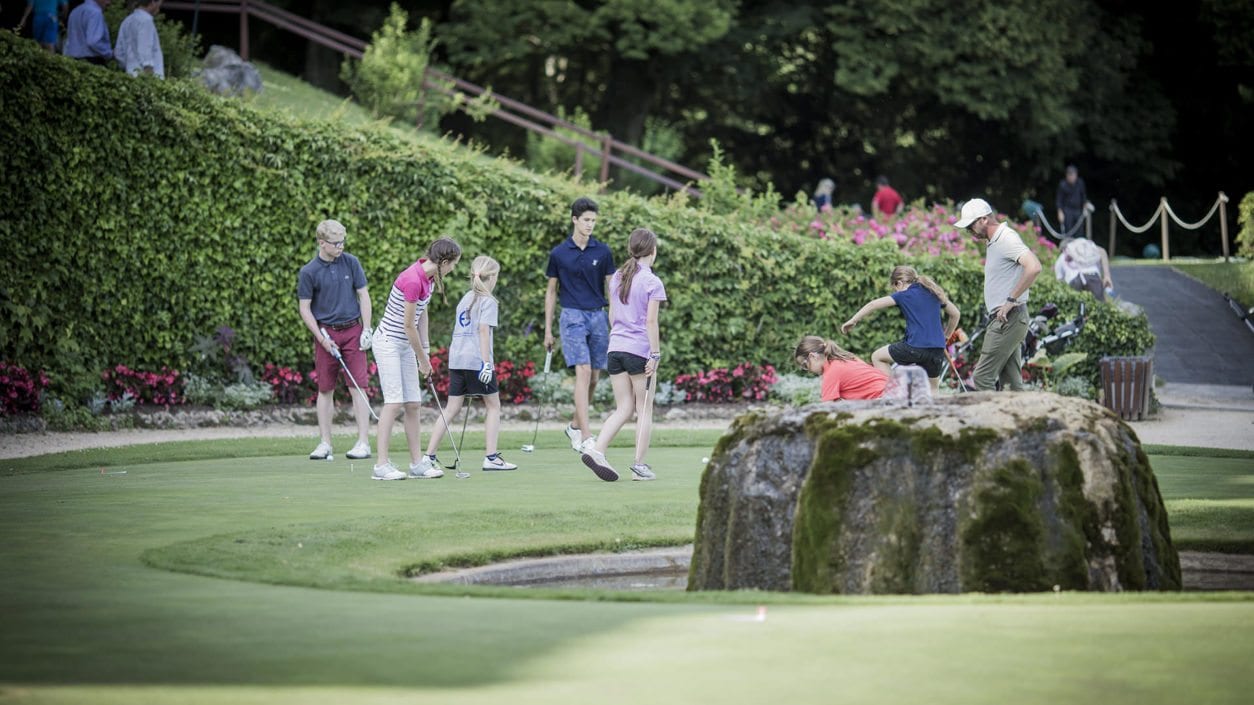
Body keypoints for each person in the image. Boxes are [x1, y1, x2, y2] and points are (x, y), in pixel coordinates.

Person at [414, 255, 519, 474]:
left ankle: (428, 456)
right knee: (493, 406)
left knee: (451, 409)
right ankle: (491, 457)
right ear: (492, 278)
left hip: (457, 359)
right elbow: (483, 331)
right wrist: (486, 364)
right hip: (476, 361)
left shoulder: (466, 298)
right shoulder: (489, 301)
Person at [371, 237, 462, 480]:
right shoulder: (412, 280)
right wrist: (422, 359)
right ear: (443, 261)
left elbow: (422, 314)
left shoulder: (430, 278)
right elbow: (408, 325)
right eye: (453, 264)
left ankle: (416, 463)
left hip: (406, 345)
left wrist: (426, 348)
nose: (453, 269)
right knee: (393, 402)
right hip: (389, 342)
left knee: (413, 403)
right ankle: (381, 465)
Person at [580, 228, 667, 483]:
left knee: (624, 407)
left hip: (615, 348)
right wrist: (655, 354)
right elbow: (651, 322)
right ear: (652, 251)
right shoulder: (652, 281)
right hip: (639, 350)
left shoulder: (617, 276)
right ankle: (639, 466)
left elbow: (612, 316)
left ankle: (596, 450)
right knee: (644, 408)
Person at [297, 219, 374, 462]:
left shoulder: (351, 262)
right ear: (322, 243)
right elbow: (305, 309)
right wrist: (321, 339)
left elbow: (363, 295)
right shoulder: (309, 272)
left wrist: (367, 329)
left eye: (342, 242)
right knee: (325, 388)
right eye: (335, 243)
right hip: (327, 334)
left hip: (353, 330)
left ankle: (363, 442)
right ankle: (325, 443)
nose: (340, 246)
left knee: (358, 387)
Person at [544, 197, 615, 453]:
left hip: (598, 316)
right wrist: (548, 330)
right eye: (586, 220)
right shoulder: (559, 254)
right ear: (574, 219)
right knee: (583, 373)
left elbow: (611, 287)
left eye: (593, 221)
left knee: (595, 377)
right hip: (571, 315)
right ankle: (585, 436)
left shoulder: (603, 251)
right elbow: (551, 292)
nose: (590, 225)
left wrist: (614, 320)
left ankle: (574, 425)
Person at [954, 198, 1043, 391]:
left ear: (984, 219)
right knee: (1012, 386)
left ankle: (985, 422)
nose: (969, 231)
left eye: (970, 226)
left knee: (981, 379)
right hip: (1008, 319)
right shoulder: (994, 241)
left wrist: (1010, 300)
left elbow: (1034, 267)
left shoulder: (1005, 238)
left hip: (1008, 318)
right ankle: (1024, 421)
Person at [841, 265, 960, 396]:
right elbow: (955, 314)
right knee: (933, 389)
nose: (895, 291)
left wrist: (853, 320)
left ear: (899, 283)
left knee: (877, 357)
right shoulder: (933, 292)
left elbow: (873, 304)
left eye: (894, 287)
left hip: (914, 347)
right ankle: (934, 415)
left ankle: (895, 394)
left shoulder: (903, 295)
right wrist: (946, 336)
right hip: (937, 350)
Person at [794, 336, 888, 402]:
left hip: (882, 401)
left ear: (812, 357)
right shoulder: (847, 357)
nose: (808, 370)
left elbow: (827, 409)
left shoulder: (831, 372)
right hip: (892, 392)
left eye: (805, 365)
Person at [114, 0, 164, 78]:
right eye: (159, 4)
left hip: (129, 76)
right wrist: (150, 80)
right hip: (146, 79)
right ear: (153, 2)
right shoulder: (146, 21)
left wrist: (129, 67)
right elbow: (145, 52)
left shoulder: (127, 21)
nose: (159, 8)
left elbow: (119, 53)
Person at [1054, 236, 1113, 301]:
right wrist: (1107, 276)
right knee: (1100, 305)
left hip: (1074, 281)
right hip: (1093, 276)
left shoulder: (1062, 256)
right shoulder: (1085, 247)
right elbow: (1102, 251)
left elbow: (1059, 281)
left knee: (1076, 306)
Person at [62, 0, 112, 65]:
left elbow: (68, 41)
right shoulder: (95, 12)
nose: (109, 2)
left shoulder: (74, 12)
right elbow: (93, 42)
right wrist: (109, 53)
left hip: (72, 62)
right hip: (92, 62)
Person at [1055, 165, 1090, 236]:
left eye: (1073, 175)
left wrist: (1085, 205)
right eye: (1069, 175)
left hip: (1078, 210)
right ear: (1067, 175)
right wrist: (1060, 212)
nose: (1071, 177)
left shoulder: (1080, 183)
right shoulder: (1063, 185)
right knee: (1068, 231)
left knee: (1079, 231)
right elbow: (1059, 200)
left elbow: (1083, 196)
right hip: (1067, 211)